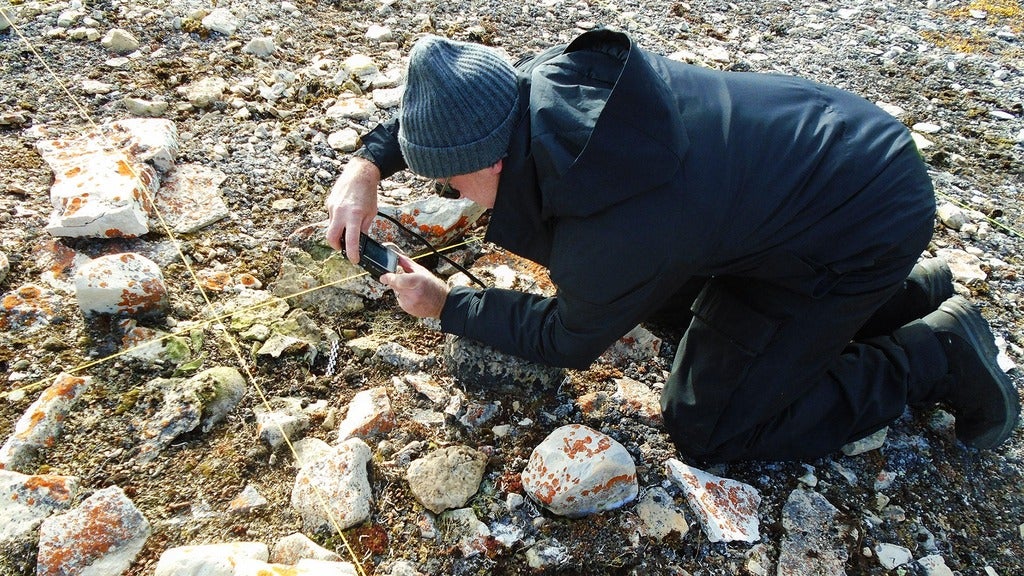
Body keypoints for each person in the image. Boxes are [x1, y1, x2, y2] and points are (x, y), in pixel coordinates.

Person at [324, 29, 1020, 462]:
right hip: (832, 152)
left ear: (493, 162)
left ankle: (933, 352)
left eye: (448, 177)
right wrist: (368, 164)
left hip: (863, 219)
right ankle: (905, 297)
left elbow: (567, 338)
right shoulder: (539, 88)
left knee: (711, 426)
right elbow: (455, 109)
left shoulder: (616, 227)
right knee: (671, 316)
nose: (448, 187)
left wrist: (444, 303)